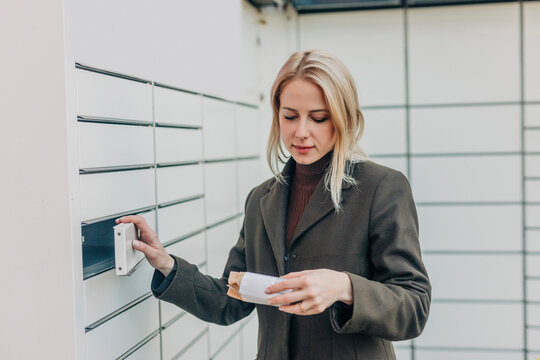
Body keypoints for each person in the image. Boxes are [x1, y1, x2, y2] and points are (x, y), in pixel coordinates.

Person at [116, 49, 431, 359]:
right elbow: (232, 298)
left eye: (319, 118)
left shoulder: (381, 188)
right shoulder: (261, 200)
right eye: (290, 116)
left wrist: (344, 287)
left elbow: (413, 306)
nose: (301, 132)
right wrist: (167, 265)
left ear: (343, 118)